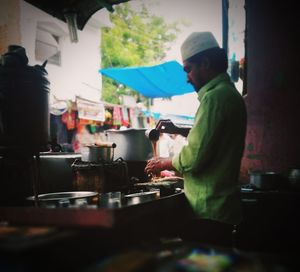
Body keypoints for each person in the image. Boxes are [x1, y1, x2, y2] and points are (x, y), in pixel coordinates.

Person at [145, 32, 247, 247]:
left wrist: (164, 162)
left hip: (209, 211)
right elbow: (213, 138)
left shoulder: (214, 98)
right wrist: (180, 130)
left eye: (188, 69)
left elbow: (194, 158)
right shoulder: (229, 94)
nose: (187, 77)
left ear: (206, 63)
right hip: (223, 209)